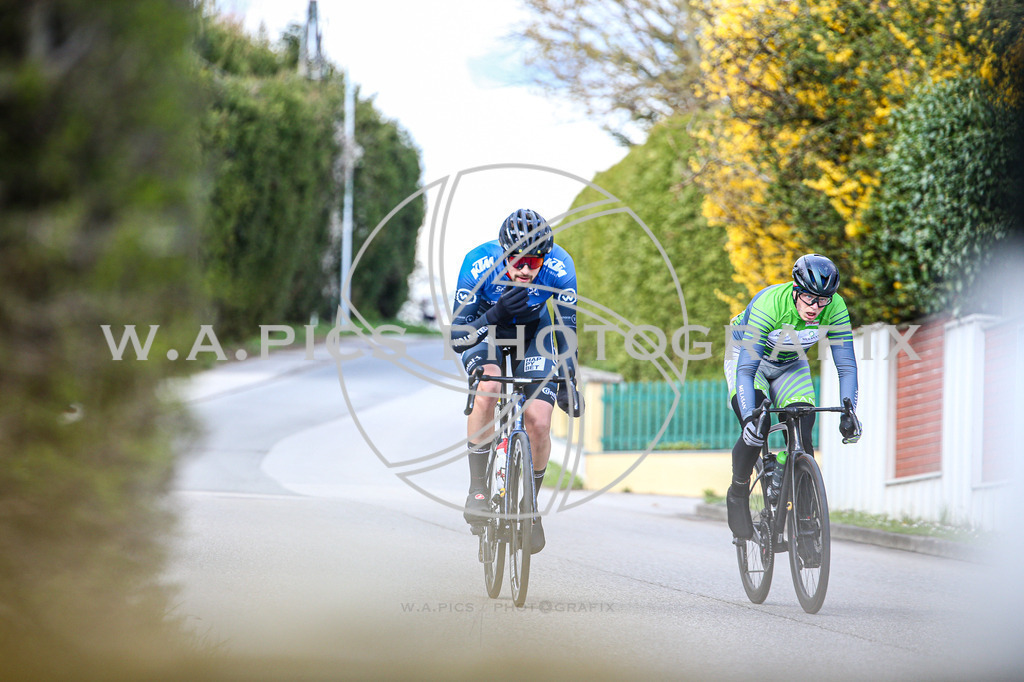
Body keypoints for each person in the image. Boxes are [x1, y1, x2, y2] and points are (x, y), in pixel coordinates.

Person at [449, 208, 582, 554]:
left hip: (534, 335)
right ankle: (478, 488)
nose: (525, 269)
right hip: (487, 331)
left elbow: (567, 330)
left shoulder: (561, 267)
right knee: (489, 386)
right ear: (503, 252)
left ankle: (531, 506)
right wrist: (495, 312)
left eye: (534, 263)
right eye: (518, 261)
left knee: (538, 420)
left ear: (546, 259)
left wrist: (568, 382)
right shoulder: (478, 264)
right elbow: (459, 337)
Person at [724, 253, 862, 540]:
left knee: (804, 432)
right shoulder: (770, 304)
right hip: (749, 361)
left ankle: (806, 526)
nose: (816, 307)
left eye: (823, 300)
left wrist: (850, 411)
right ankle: (738, 490)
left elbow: (846, 365)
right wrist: (750, 417)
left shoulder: (834, 307)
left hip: (790, 362)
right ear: (796, 291)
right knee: (756, 427)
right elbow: (747, 369)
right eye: (810, 298)